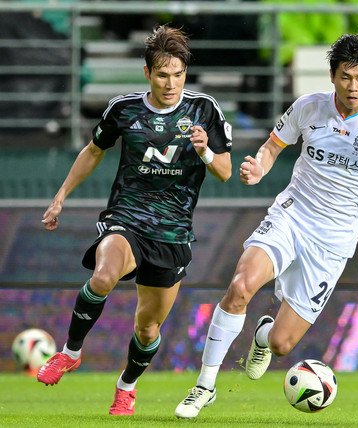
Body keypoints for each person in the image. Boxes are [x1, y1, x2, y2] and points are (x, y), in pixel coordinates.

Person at [174, 32, 358, 419]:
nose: (353, 87)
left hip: (334, 243)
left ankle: (263, 336)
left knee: (283, 344)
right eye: (345, 77)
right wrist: (258, 168)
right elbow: (272, 146)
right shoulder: (308, 107)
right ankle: (203, 388)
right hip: (291, 217)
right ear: (333, 76)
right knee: (240, 287)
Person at [36, 25, 233, 415]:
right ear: (147, 73)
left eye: (178, 74)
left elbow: (225, 171)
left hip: (174, 231)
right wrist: (60, 196)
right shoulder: (124, 109)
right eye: (162, 74)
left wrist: (206, 151)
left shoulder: (204, 109)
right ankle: (70, 352)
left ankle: (126, 385)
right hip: (128, 215)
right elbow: (94, 151)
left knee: (147, 328)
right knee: (104, 275)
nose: (171, 83)